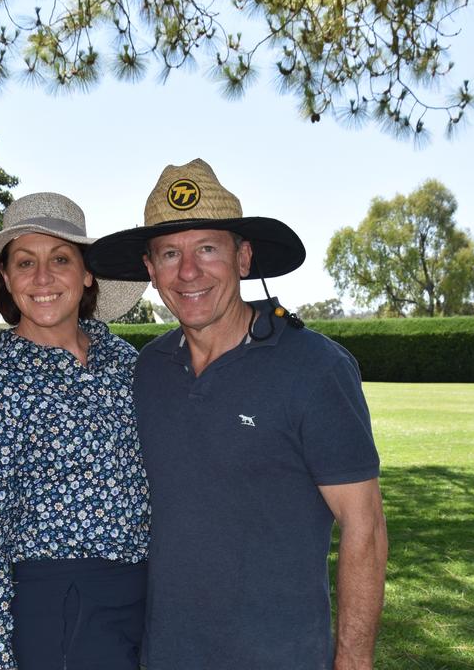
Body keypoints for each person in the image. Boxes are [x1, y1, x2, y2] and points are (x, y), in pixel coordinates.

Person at [86, 159, 388, 670]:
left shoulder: (315, 368)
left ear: (243, 258)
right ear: (150, 270)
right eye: (169, 254)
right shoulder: (148, 371)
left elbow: (366, 527)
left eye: (207, 249)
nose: (188, 272)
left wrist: (353, 664)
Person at [0, 192, 151, 670]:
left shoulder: (131, 367)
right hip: (57, 609)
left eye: (60, 258)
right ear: (5, 278)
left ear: (87, 272)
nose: (42, 278)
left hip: (150, 599)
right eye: (24, 263)